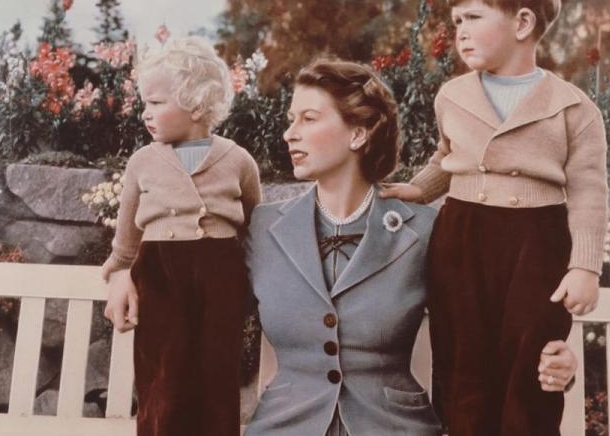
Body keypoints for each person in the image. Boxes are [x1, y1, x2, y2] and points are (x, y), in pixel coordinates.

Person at [244, 59, 578, 436]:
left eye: (308, 118)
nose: (290, 134)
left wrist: (556, 366)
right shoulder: (264, 228)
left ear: (358, 134)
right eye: (291, 120)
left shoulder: (422, 230)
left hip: (393, 427)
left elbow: (488, 335)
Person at [380, 0, 609, 436]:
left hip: (537, 243)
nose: (458, 30)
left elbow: (589, 189)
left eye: (473, 17)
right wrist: (420, 190)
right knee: (463, 363)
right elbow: (448, 156)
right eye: (455, 19)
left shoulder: (573, 108)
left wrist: (585, 266)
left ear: (522, 22)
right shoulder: (453, 96)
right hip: (463, 237)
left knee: (531, 365)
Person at [101, 36, 262, 436]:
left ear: (194, 103)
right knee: (164, 375)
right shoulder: (142, 162)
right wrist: (120, 276)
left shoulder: (238, 160)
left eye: (156, 103)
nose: (145, 113)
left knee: (216, 372)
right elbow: (126, 239)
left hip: (220, 275)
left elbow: (255, 228)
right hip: (160, 275)